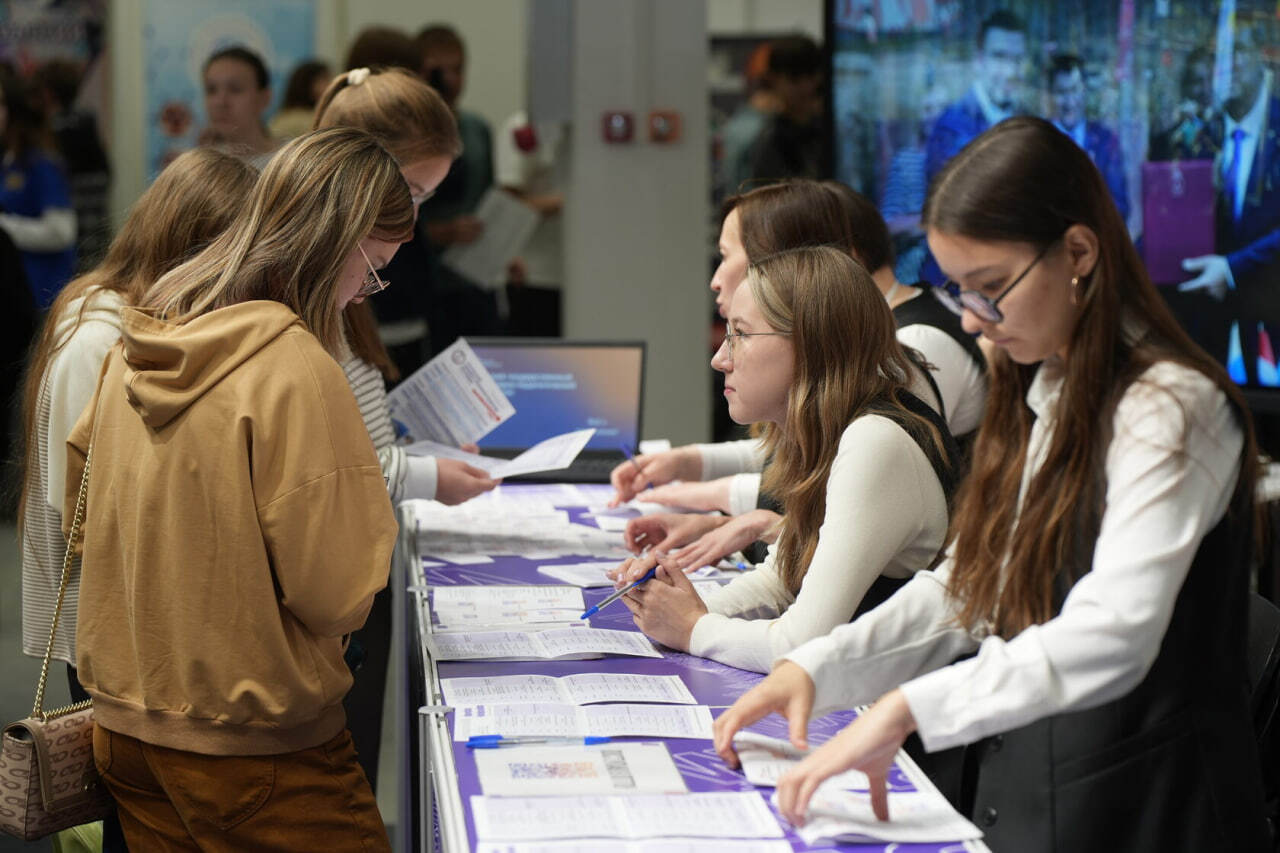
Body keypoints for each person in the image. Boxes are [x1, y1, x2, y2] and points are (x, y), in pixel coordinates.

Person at [712, 116, 1271, 851]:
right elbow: (972, 586)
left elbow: (1114, 632)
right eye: (962, 292)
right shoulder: (1048, 385)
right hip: (1044, 794)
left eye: (991, 288)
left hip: (1151, 814)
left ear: (1078, 253)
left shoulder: (1172, 405)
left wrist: (908, 706)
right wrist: (816, 668)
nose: (975, 323)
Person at [70, 127, 410, 850]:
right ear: (338, 242)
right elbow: (336, 591)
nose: (365, 294)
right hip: (255, 744)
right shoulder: (295, 368)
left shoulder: (138, 341)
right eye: (374, 270)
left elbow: (82, 508)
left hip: (125, 725)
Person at [18, 148, 254, 853]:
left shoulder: (140, 320)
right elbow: (84, 513)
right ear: (194, 245)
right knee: (127, 824)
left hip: (130, 629)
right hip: (108, 634)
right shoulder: (100, 335)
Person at [610, 245, 955, 674]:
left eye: (741, 334)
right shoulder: (823, 430)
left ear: (812, 344)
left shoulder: (875, 441)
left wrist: (693, 627)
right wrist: (674, 605)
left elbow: (800, 645)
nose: (720, 358)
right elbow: (781, 580)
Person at [313, 65, 499, 790]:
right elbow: (320, 461)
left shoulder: (346, 279)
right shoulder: (311, 286)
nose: (414, 221)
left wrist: (414, 452)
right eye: (412, 193)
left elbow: (354, 426)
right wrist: (423, 472)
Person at [1177, 18, 1280, 387]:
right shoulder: (1201, 132)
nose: (1225, 64)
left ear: (1263, 57)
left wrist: (1233, 269)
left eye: (1237, 52)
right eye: (1218, 54)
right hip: (1211, 322)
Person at [413, 23, 501, 354]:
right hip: (427, 282)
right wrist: (442, 232)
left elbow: (488, 195)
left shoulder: (477, 129)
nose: (450, 80)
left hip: (477, 278)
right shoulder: (408, 134)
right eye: (440, 71)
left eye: (459, 70)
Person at [0, 70, 76, 309]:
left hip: (42, 295)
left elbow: (61, 232)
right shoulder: (9, 162)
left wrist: (5, 227)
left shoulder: (41, 164)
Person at [925, 9, 1026, 185]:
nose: (1010, 71)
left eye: (1017, 59)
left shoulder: (1028, 118)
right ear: (979, 60)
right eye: (999, 57)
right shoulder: (951, 127)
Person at [34, 58, 111, 269]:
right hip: (95, 213)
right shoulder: (87, 119)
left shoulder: (52, 127)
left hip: (74, 211)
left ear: (48, 93)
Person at [1047, 54, 1128, 223]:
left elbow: (1121, 207)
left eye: (1074, 90)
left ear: (1084, 91)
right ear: (1050, 95)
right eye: (1061, 92)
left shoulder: (1106, 141)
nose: (1069, 102)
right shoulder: (1039, 141)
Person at [744, 36, 827, 183]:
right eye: (794, 78)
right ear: (773, 78)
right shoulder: (765, 141)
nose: (806, 86)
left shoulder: (829, 129)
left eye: (811, 76)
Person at [199, 45, 277, 158]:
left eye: (235, 89)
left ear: (264, 98)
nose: (220, 102)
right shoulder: (200, 164)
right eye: (211, 90)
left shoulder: (289, 163)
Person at [269, 59, 331, 140]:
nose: (330, 84)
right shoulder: (297, 119)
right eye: (324, 79)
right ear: (306, 84)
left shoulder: (284, 116)